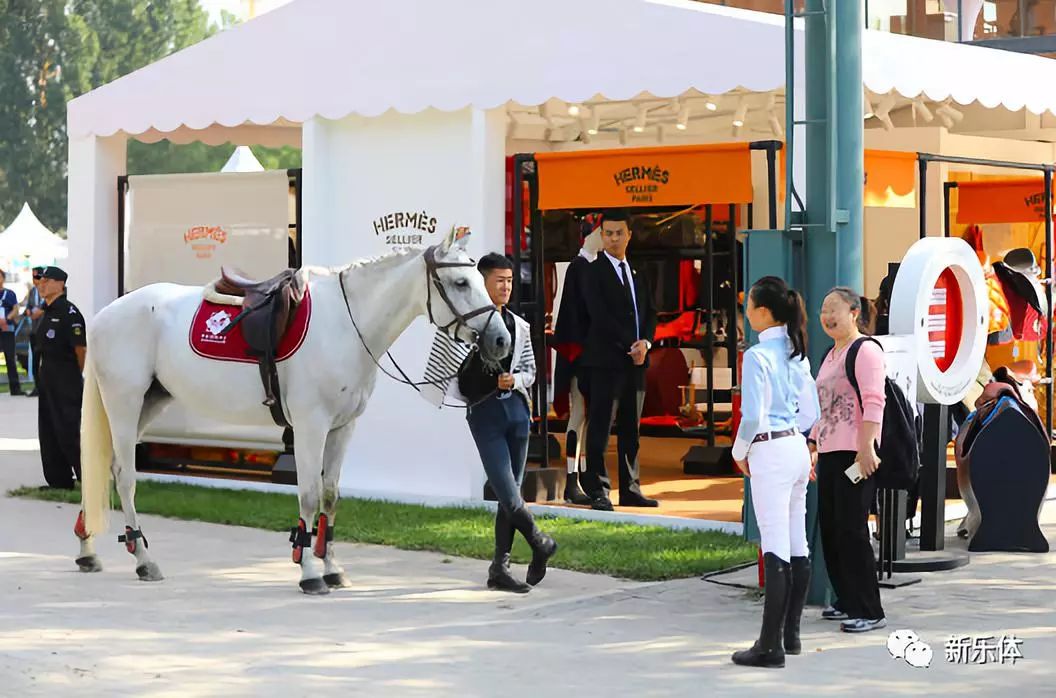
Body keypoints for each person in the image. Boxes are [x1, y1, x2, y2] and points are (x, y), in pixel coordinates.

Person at [453, 252, 557, 593]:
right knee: (507, 491)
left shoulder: (522, 326)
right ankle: (540, 542)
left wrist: (517, 381)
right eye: (500, 280)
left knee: (508, 495)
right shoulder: (467, 327)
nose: (506, 287)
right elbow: (459, 379)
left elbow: (531, 371)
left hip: (518, 413)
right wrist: (490, 383)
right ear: (483, 282)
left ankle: (500, 567)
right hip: (486, 415)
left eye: (510, 281)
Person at [731, 276, 819, 669]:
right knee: (796, 539)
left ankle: (770, 645)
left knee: (775, 544)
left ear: (763, 311)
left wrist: (739, 451)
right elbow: (811, 412)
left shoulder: (757, 356)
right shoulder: (796, 350)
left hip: (770, 449)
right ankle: (791, 635)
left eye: (748, 304)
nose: (745, 310)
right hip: (797, 446)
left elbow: (751, 415)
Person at [811, 287, 887, 634]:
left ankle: (869, 609)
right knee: (831, 529)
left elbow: (874, 402)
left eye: (834, 310)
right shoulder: (831, 354)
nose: (827, 316)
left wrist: (867, 446)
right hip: (829, 451)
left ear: (854, 312)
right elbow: (823, 406)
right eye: (823, 310)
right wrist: (813, 444)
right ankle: (845, 599)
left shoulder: (865, 350)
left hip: (855, 453)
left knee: (853, 530)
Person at [580, 208, 658, 511]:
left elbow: (650, 312)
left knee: (631, 428)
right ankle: (598, 490)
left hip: (636, 363)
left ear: (629, 235)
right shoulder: (592, 272)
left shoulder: (638, 272)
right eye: (608, 233)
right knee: (600, 426)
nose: (614, 239)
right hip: (605, 362)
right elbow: (598, 315)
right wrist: (630, 344)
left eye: (619, 233)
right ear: (601, 236)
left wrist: (646, 343)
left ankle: (631, 488)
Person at [552, 220, 604, 505]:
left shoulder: (598, 267)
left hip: (594, 357)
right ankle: (572, 479)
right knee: (578, 416)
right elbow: (574, 316)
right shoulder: (578, 268)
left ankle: (583, 477)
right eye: (601, 232)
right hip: (580, 357)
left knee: (587, 419)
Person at [35, 266, 87, 489]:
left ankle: (88, 478)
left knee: (70, 429)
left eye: (47, 280)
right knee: (49, 430)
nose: (41, 284)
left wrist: (74, 377)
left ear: (60, 284)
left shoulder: (69, 312)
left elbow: (80, 350)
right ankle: (59, 479)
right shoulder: (45, 313)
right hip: (47, 376)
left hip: (66, 378)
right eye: (40, 281)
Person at [22, 266, 46, 396]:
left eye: (37, 276)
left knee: (47, 359)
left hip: (45, 330)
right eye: (34, 277)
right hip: (34, 330)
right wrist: (29, 311)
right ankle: (37, 387)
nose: (35, 280)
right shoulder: (32, 292)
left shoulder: (48, 291)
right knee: (35, 360)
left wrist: (39, 311)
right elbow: (27, 307)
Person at [0, 269, 25, 396]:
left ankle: (15, 388)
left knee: (10, 358)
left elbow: (16, 309)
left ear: (3, 279)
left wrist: (7, 318)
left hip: (7, 330)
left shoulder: (9, 294)